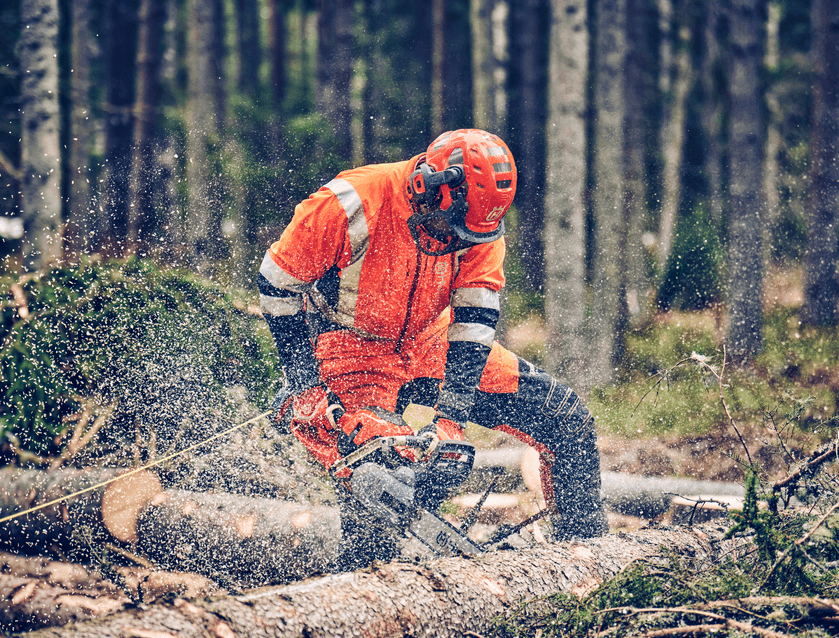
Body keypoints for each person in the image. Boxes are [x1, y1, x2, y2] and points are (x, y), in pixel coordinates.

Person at [256, 128, 607, 568]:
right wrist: (305, 386)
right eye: (450, 229)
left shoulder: (479, 226)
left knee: (563, 417)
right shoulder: (352, 202)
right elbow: (276, 284)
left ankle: (592, 561)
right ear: (426, 187)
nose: (457, 242)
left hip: (430, 336)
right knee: (381, 469)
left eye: (468, 236)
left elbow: (475, 322)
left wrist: (451, 423)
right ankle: (371, 588)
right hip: (351, 344)